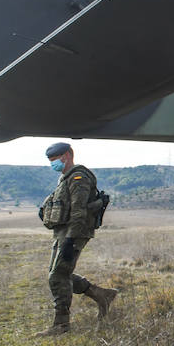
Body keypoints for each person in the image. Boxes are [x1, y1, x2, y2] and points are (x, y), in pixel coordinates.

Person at [37, 142, 117, 335]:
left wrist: (71, 239)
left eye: (54, 160)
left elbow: (79, 211)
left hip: (74, 232)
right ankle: (102, 295)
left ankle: (61, 325)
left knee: (57, 275)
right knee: (58, 274)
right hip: (63, 232)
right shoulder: (65, 178)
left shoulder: (79, 177)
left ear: (66, 156)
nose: (52, 164)